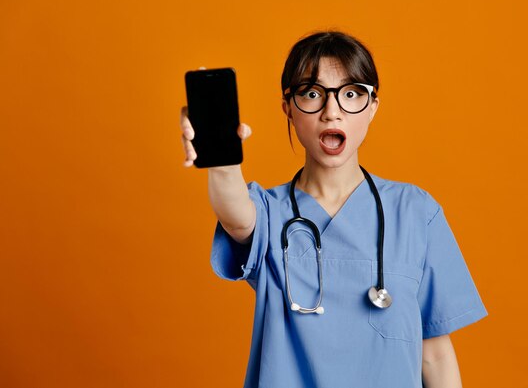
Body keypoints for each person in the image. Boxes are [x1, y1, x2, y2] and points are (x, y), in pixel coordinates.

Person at [180, 31, 488, 388]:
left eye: (351, 94)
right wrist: (221, 159)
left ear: (373, 107)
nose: (332, 112)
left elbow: (434, 354)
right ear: (289, 109)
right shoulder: (270, 212)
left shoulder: (416, 212)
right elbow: (234, 215)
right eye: (312, 94)